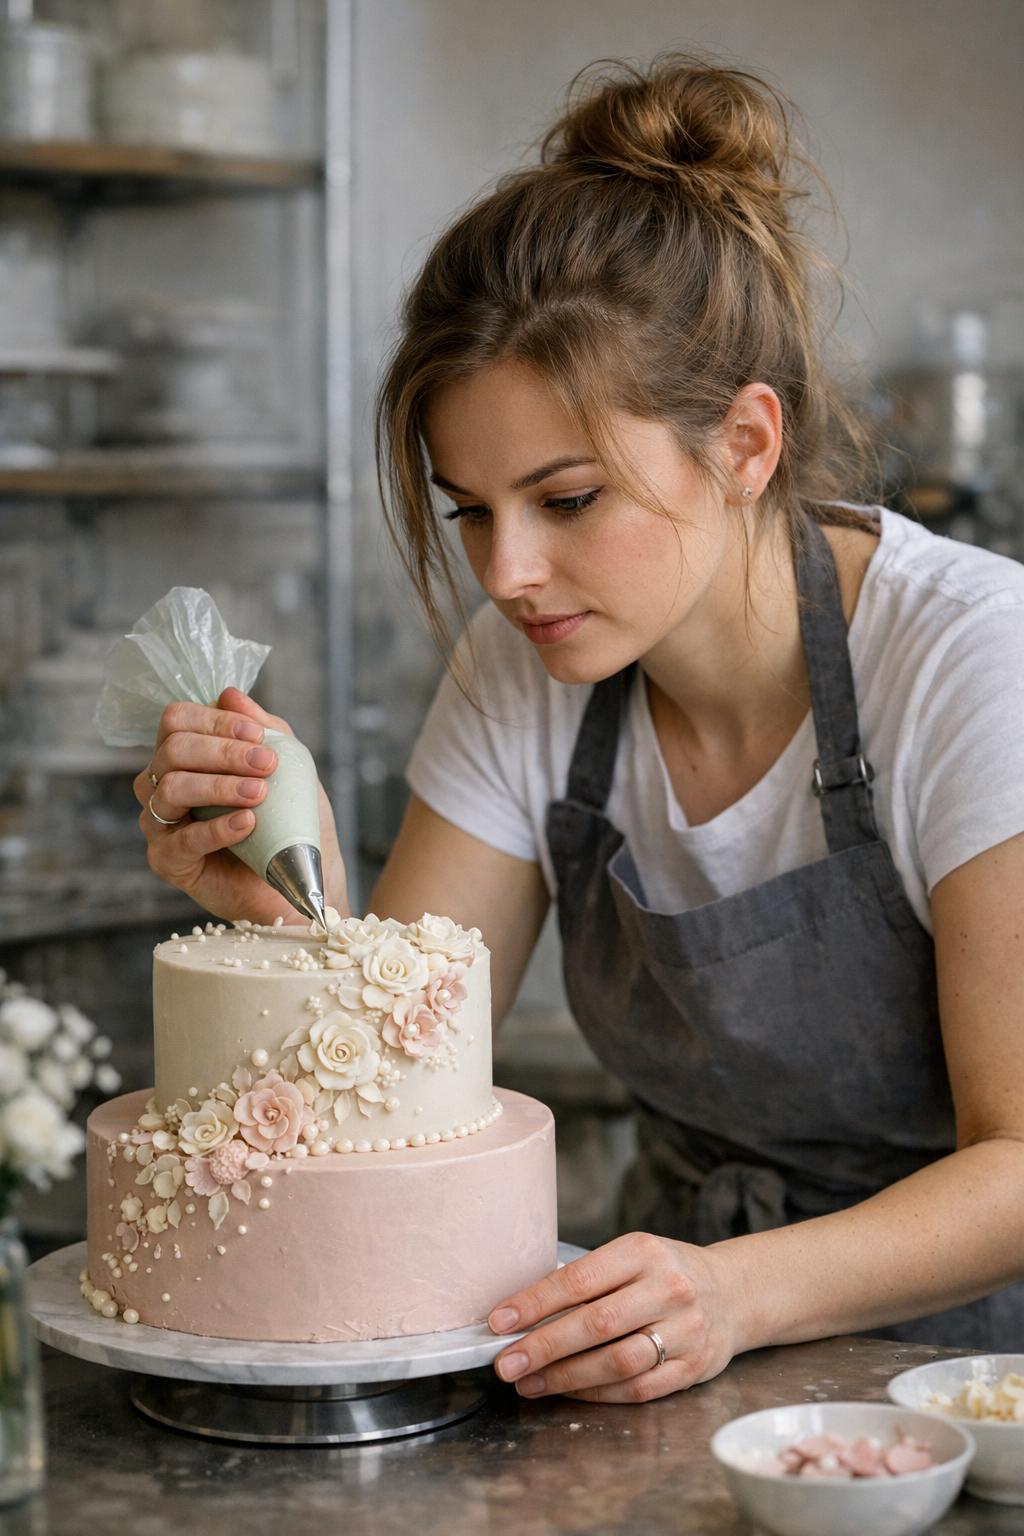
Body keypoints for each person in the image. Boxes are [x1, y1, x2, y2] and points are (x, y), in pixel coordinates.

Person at [136, 56, 1024, 1403]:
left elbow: (1018, 1163)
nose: (504, 574)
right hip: (676, 1359)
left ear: (745, 444)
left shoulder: (967, 657)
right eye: (470, 511)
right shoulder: (527, 666)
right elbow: (402, 1075)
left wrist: (736, 1288)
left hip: (973, 1384)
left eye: (564, 500)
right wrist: (284, 901)